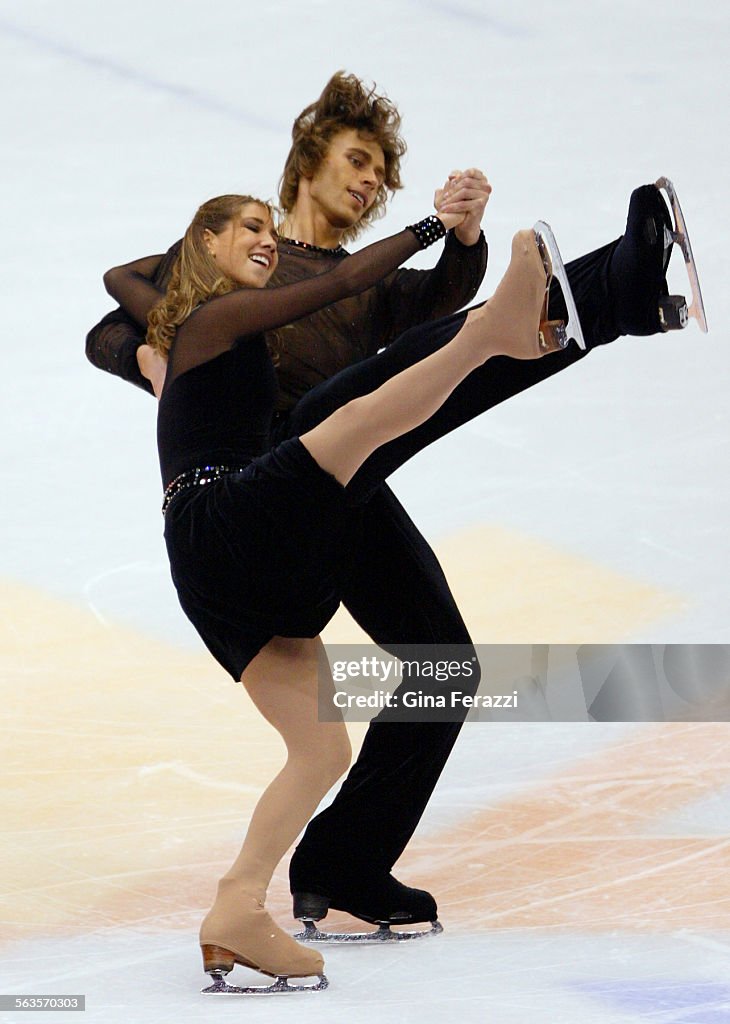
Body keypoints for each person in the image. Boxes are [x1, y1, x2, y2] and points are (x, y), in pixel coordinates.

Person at [86, 71, 678, 936]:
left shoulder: (371, 282)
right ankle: (620, 288)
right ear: (306, 161)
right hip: (268, 488)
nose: (368, 182)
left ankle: (346, 861)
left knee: (444, 666)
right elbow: (113, 326)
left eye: (380, 174)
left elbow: (444, 317)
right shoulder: (238, 263)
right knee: (344, 407)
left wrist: (465, 242)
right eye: (356, 160)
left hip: (346, 468)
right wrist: (168, 355)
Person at [102, 192, 563, 988]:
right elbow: (336, 286)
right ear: (200, 244)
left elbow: (119, 282)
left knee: (320, 750)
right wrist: (431, 230)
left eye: (271, 232)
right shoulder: (212, 323)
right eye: (247, 227)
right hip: (223, 520)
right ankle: (492, 336)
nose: (268, 242)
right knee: (351, 429)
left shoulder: (182, 342)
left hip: (221, 575)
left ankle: (236, 906)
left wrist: (152, 350)